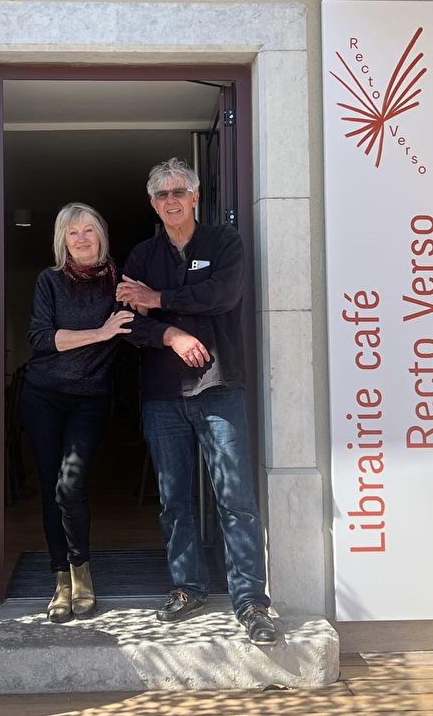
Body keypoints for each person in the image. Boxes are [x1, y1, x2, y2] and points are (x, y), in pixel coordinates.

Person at [116, 158, 276, 645]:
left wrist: (159, 299)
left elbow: (222, 294)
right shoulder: (142, 255)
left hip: (219, 386)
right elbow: (128, 321)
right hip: (163, 394)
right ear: (153, 204)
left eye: (178, 192)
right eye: (162, 194)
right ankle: (188, 588)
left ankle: (251, 601)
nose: (171, 200)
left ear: (195, 197)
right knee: (174, 500)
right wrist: (171, 335)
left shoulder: (224, 242)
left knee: (236, 499)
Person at [21, 203, 135, 623]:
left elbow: (138, 329)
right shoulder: (49, 281)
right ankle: (61, 579)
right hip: (43, 395)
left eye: (89, 230)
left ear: (101, 234)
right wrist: (100, 333)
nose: (82, 238)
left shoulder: (121, 284)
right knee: (50, 487)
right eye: (73, 232)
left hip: (90, 397)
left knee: (70, 486)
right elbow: (40, 337)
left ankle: (81, 570)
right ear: (63, 241)